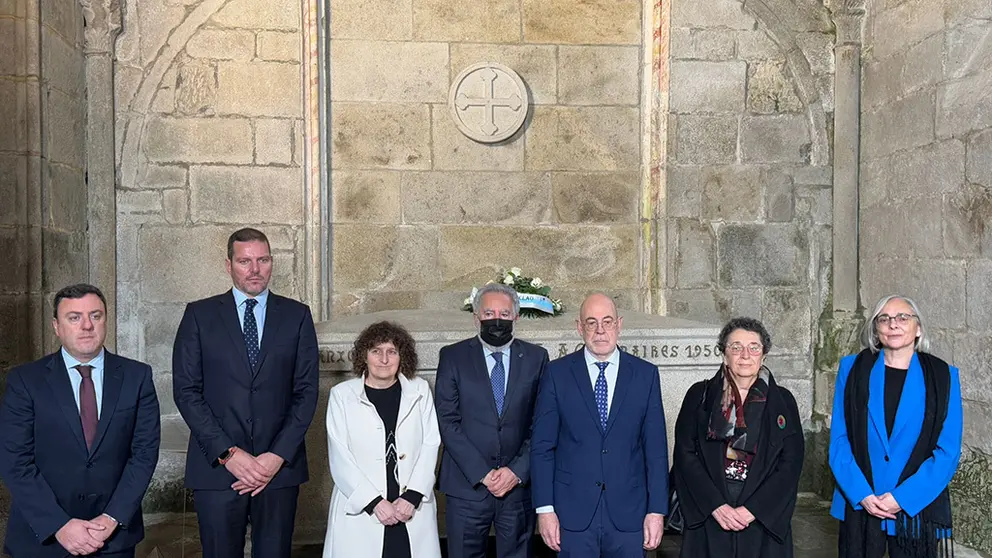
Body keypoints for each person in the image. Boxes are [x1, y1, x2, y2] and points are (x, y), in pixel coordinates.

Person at [172, 227, 319, 558]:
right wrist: (229, 454)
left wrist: (276, 456)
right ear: (229, 265)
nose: (255, 269)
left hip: (277, 471)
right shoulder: (199, 315)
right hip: (217, 469)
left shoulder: (297, 316)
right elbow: (186, 391)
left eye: (263, 260)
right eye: (245, 261)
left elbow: (306, 392)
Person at [0, 284, 161, 558]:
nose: (87, 325)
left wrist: (112, 518)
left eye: (95, 316)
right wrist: (59, 525)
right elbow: (14, 461)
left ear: (105, 320)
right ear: (56, 326)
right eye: (74, 317)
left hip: (113, 538)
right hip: (43, 538)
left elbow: (144, 454)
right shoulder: (25, 381)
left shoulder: (137, 377)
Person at [531, 292, 668, 557]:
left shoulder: (645, 374)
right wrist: (545, 509)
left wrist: (656, 510)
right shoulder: (557, 373)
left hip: (630, 513)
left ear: (619, 324)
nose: (600, 331)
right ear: (579, 327)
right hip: (572, 514)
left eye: (607, 322)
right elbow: (542, 447)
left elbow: (656, 450)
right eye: (591, 323)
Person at [829, 295, 962, 558]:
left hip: (915, 507)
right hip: (861, 501)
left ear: (918, 328)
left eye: (903, 317)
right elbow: (839, 439)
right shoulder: (851, 369)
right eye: (884, 319)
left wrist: (902, 498)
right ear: (876, 329)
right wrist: (862, 494)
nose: (893, 324)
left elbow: (948, 451)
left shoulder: (943, 376)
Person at [672, 317, 804, 558]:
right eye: (736, 347)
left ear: (763, 355)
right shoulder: (699, 395)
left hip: (761, 515)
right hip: (710, 512)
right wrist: (715, 505)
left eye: (754, 347)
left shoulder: (783, 401)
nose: (745, 355)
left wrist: (753, 510)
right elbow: (685, 454)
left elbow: (791, 462)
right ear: (724, 354)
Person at [435, 283, 550, 558]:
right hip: (467, 486)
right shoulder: (452, 356)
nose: (497, 320)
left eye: (504, 314)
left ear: (516, 317)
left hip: (517, 488)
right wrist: (483, 474)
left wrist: (516, 471)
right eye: (489, 314)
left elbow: (543, 422)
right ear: (476, 318)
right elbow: (448, 421)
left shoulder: (537, 358)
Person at [322, 321, 442, 558]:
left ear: (402, 356)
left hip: (409, 508)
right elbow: (340, 457)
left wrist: (412, 496)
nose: (384, 359)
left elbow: (431, 443)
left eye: (392, 352)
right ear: (364, 356)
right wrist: (374, 502)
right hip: (363, 510)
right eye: (376, 351)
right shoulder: (342, 395)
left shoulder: (420, 390)